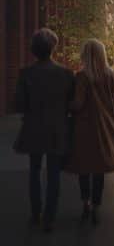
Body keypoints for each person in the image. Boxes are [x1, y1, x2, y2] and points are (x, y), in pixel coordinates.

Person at [13, 28, 75, 232]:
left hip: (33, 129)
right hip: (57, 129)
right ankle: (49, 217)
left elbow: (19, 105)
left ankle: (35, 213)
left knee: (34, 170)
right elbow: (71, 104)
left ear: (33, 50)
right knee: (54, 174)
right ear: (53, 48)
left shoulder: (26, 73)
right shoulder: (66, 74)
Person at [67, 39, 114, 225]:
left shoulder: (82, 76)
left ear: (85, 54)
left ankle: (85, 203)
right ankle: (96, 206)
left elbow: (77, 104)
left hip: (85, 130)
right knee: (99, 169)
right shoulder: (111, 75)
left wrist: (64, 105)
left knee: (84, 168)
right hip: (106, 128)